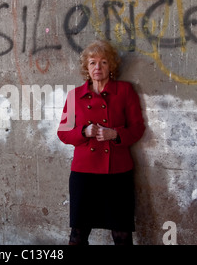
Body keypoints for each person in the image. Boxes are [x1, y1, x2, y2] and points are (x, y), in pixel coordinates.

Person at [57, 39, 145, 245]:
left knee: (122, 235)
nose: (98, 67)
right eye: (93, 62)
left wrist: (114, 134)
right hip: (84, 173)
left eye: (103, 62)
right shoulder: (74, 95)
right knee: (77, 235)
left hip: (116, 172)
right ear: (86, 68)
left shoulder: (124, 91)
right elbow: (63, 132)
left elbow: (137, 128)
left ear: (111, 66)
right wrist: (84, 131)